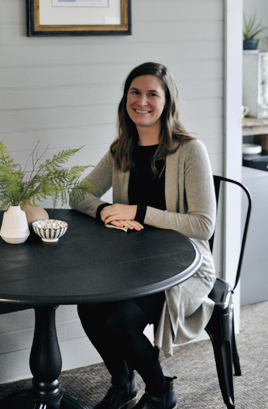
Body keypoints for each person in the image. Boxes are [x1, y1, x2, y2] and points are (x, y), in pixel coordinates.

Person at [71, 62, 216, 409]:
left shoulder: (189, 150)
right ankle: (122, 384)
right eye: (135, 92)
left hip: (182, 265)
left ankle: (159, 389)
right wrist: (105, 210)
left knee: (117, 320)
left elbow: (203, 225)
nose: (142, 101)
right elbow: (79, 194)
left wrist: (137, 211)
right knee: (88, 307)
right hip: (131, 259)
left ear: (167, 101)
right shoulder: (122, 148)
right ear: (126, 100)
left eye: (153, 93)